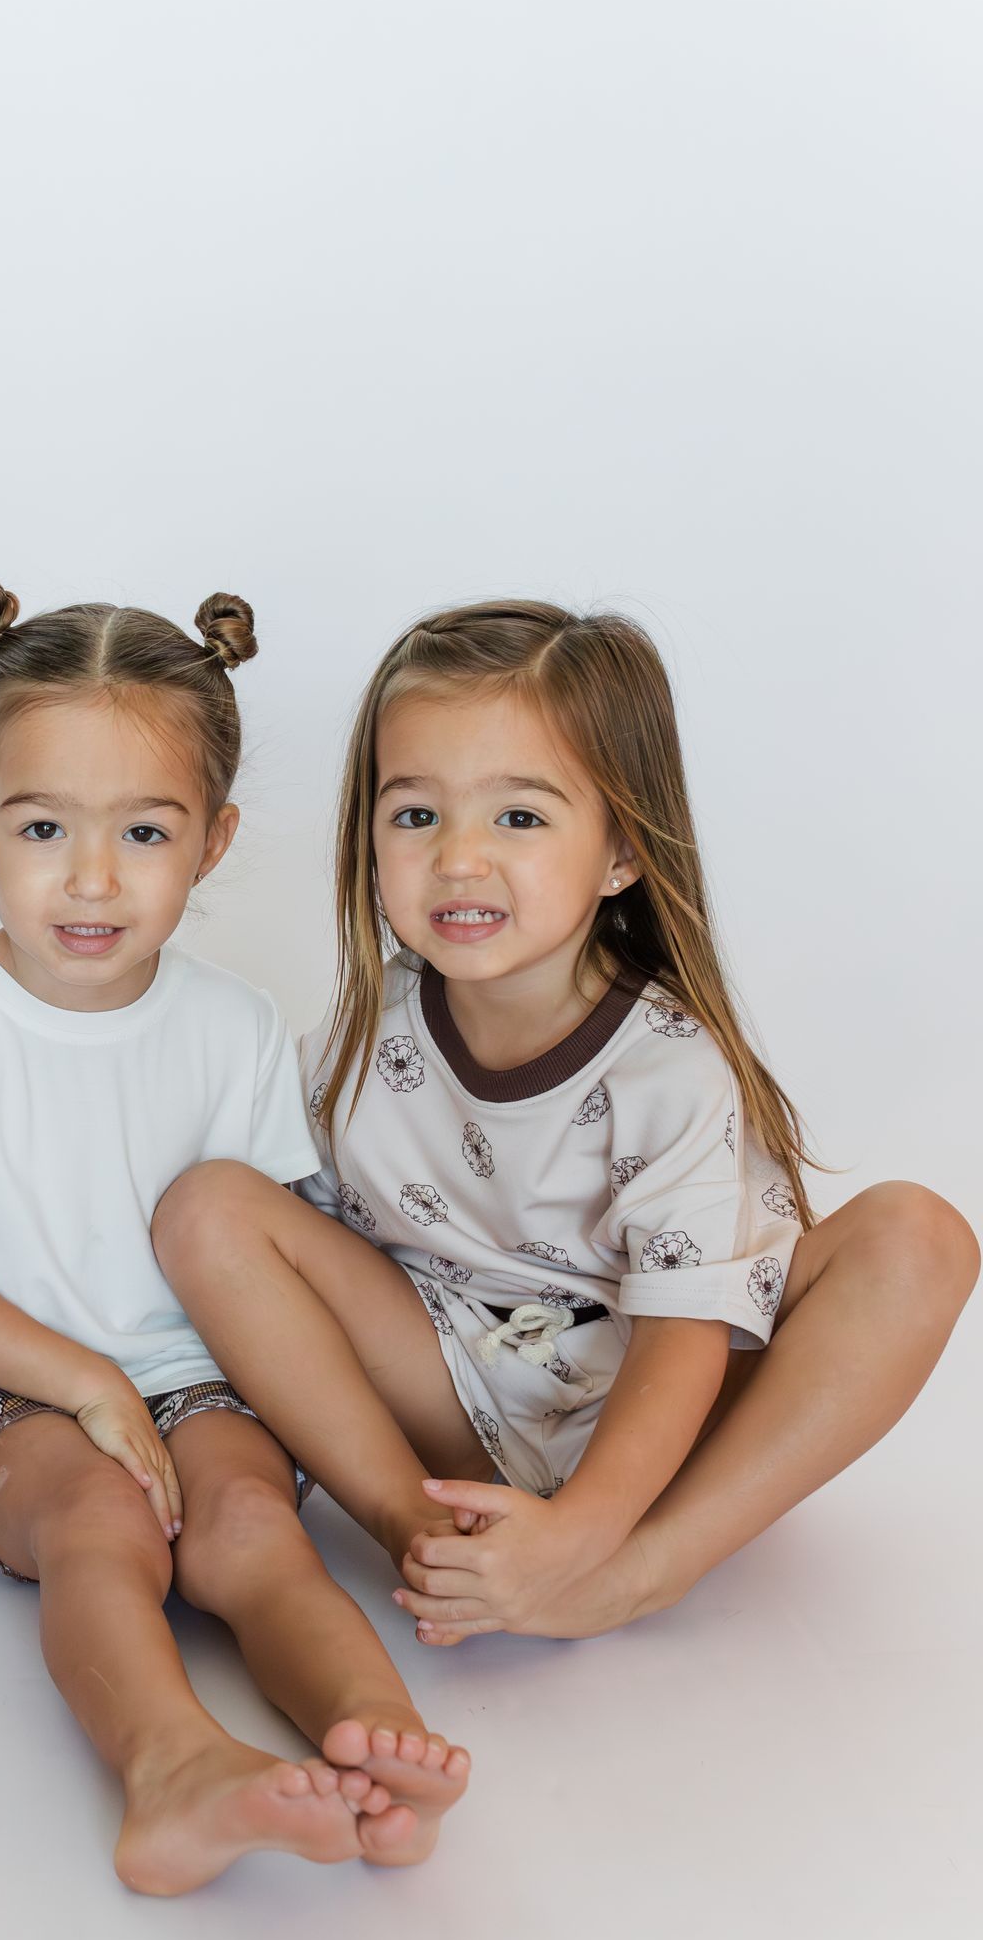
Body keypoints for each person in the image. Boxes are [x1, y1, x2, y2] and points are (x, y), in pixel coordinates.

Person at [152, 599, 978, 1645]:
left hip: (666, 1414)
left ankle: (644, 1570)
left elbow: (686, 1334)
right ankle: (426, 1534)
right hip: (461, 1391)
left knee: (918, 1235)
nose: (459, 858)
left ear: (621, 853)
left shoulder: (669, 1068)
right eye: (416, 816)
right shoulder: (371, 1031)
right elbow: (289, 1251)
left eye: (521, 817)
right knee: (207, 1208)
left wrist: (590, 1530)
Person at [0, 581, 470, 1896]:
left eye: (144, 830)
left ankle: (372, 1735)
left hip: (198, 1373)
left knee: (246, 1521)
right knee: (99, 1521)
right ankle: (170, 1768)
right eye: (43, 827)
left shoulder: (234, 1027)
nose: (91, 877)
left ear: (215, 841)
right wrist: (88, 1386)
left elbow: (268, 1255)